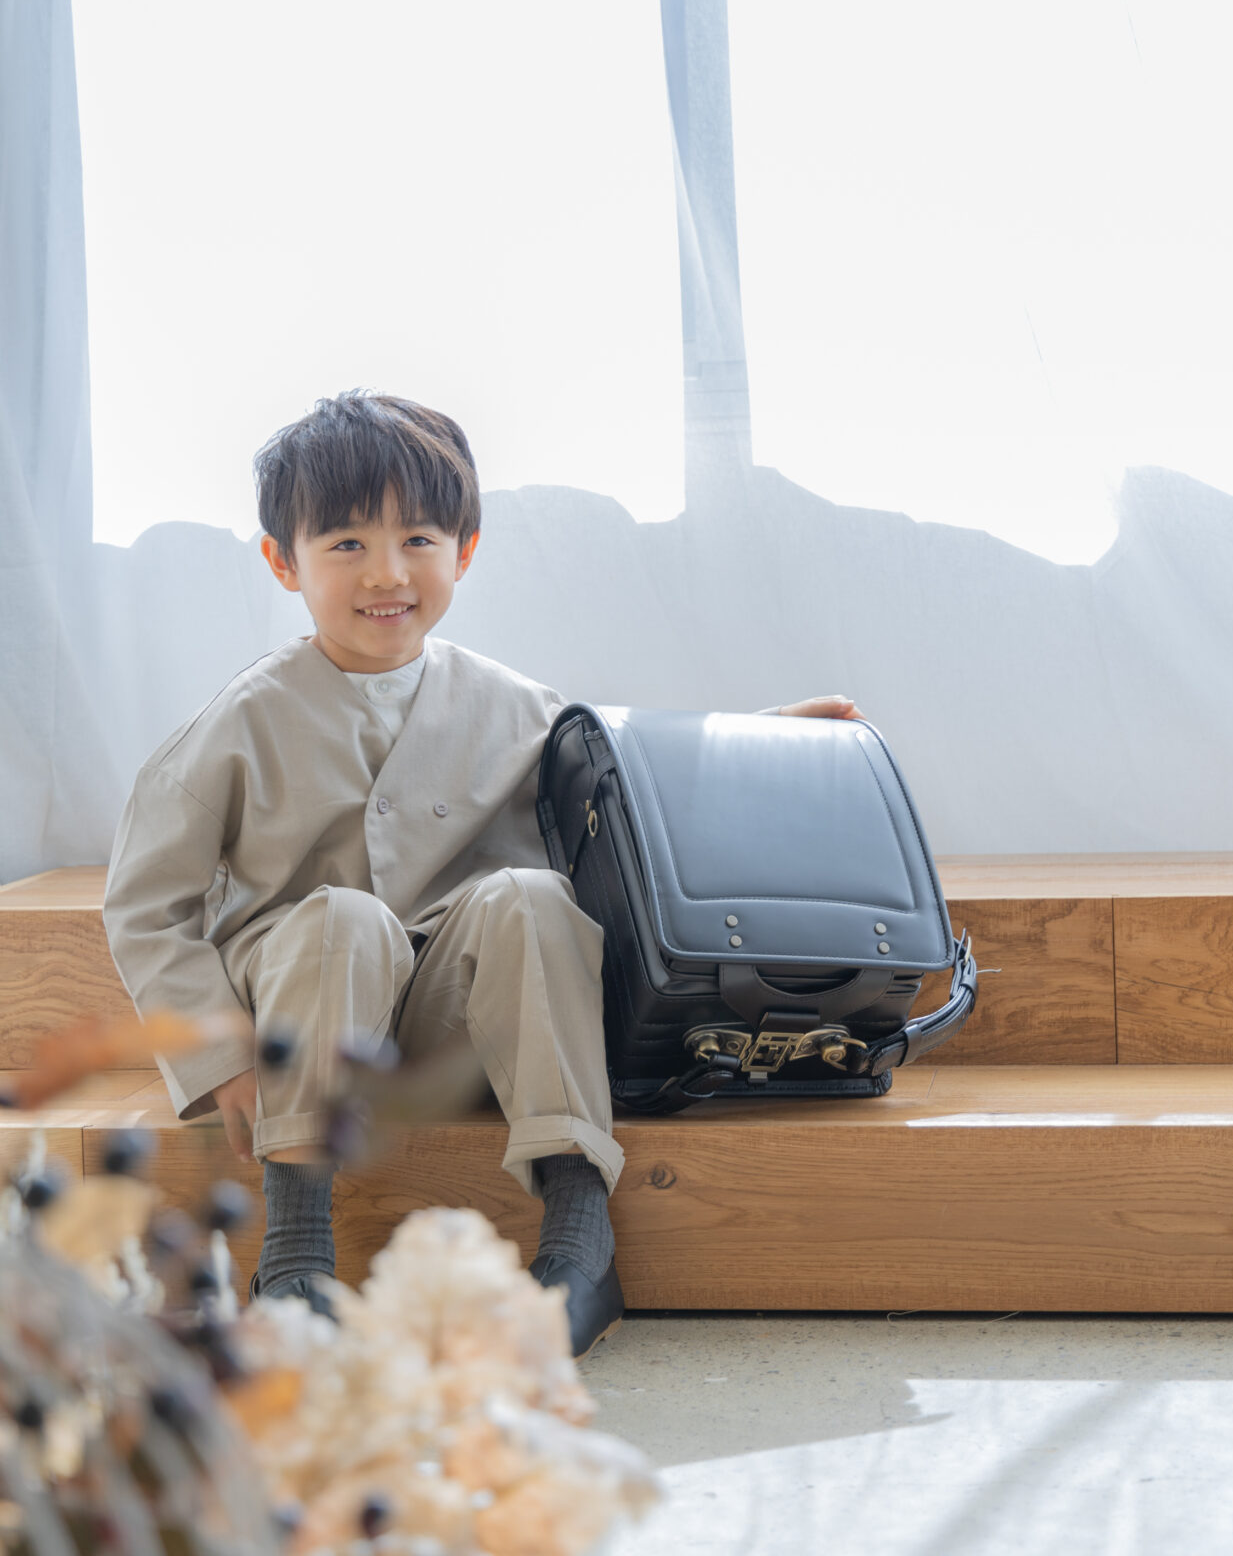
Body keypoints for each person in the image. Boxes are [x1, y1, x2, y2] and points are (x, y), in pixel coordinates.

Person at [102, 390, 861, 1357]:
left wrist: (766, 736)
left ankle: (580, 1240)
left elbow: (631, 774)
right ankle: (294, 1255)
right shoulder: (238, 723)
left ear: (464, 549)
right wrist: (225, 1060)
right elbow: (146, 906)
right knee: (341, 918)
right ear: (282, 561)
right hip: (312, 1027)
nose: (387, 573)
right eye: (345, 545)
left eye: (417, 538)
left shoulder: (508, 704)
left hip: (457, 1026)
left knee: (532, 896)